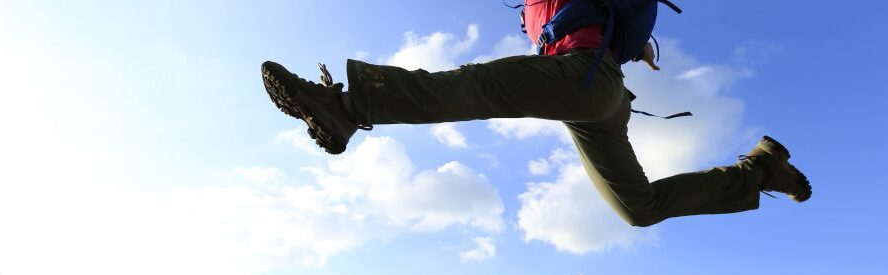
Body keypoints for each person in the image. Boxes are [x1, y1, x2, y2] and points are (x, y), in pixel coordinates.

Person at [260, 0, 811, 228]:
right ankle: (759, 172)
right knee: (637, 208)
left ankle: (345, 106)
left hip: (583, 77)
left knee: (477, 86)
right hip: (601, 97)